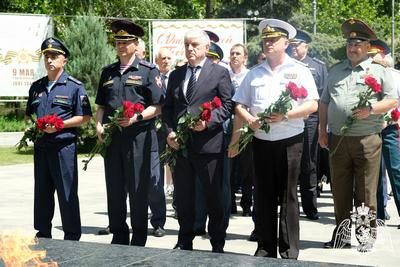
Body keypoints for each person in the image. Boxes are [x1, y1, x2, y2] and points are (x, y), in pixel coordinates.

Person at [229, 19, 319, 259]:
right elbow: (239, 103)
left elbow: (311, 104)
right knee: (264, 194)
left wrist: (287, 115)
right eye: (265, 39)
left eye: (273, 39)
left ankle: (289, 250)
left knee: (289, 194)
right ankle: (265, 246)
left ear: (285, 43)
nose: (267, 43)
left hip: (290, 140)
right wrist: (249, 119)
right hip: (261, 141)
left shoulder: (299, 70)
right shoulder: (254, 73)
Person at [318, 19, 398, 248]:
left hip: (367, 139)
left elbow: (392, 100)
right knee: (340, 191)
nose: (353, 48)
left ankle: (364, 237)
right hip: (338, 140)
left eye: (358, 44)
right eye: (350, 44)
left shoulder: (379, 71)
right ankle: (342, 237)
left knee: (364, 192)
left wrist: (371, 109)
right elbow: (324, 103)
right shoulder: (335, 71)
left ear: (367, 47)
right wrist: (322, 130)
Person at [163, 29, 234, 253]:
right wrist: (169, 132)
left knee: (213, 196)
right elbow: (168, 109)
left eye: (195, 45)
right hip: (182, 147)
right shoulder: (176, 75)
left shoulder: (219, 73)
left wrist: (208, 121)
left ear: (206, 48)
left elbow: (228, 105)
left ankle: (217, 241)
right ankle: (185, 239)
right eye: (186, 45)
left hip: (209, 145)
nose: (190, 49)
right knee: (183, 197)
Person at [95, 19, 164, 246]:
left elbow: (159, 106)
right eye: (118, 42)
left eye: (126, 42)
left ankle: (139, 238)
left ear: (136, 44)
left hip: (139, 138)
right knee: (114, 188)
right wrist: (98, 125)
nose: (121, 46)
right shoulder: (108, 72)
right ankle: (119, 234)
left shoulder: (148, 71)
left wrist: (137, 117)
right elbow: (102, 106)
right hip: (114, 139)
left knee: (137, 190)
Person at [26, 37, 92, 240]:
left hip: (64, 147)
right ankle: (43, 232)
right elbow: (29, 114)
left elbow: (85, 117)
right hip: (42, 147)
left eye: (54, 56)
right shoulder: (37, 86)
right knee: (42, 192)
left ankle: (72, 235)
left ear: (65, 60)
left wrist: (60, 125)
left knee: (67, 193)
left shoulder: (74, 87)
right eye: (46, 56)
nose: (49, 60)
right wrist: (31, 127)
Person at [290, 29, 328, 220]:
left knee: (309, 164)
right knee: (288, 163)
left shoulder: (318, 67)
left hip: (311, 119)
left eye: (297, 45)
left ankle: (310, 207)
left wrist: (322, 125)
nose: (294, 48)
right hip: (288, 118)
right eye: (292, 44)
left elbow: (323, 98)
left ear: (306, 46)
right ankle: (289, 206)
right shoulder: (285, 65)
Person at [368, 39, 400, 227]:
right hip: (369, 130)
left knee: (396, 171)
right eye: (369, 55)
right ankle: (378, 213)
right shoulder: (365, 76)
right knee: (374, 173)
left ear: (384, 56)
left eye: (374, 55)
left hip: (390, 129)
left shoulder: (395, 76)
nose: (371, 59)